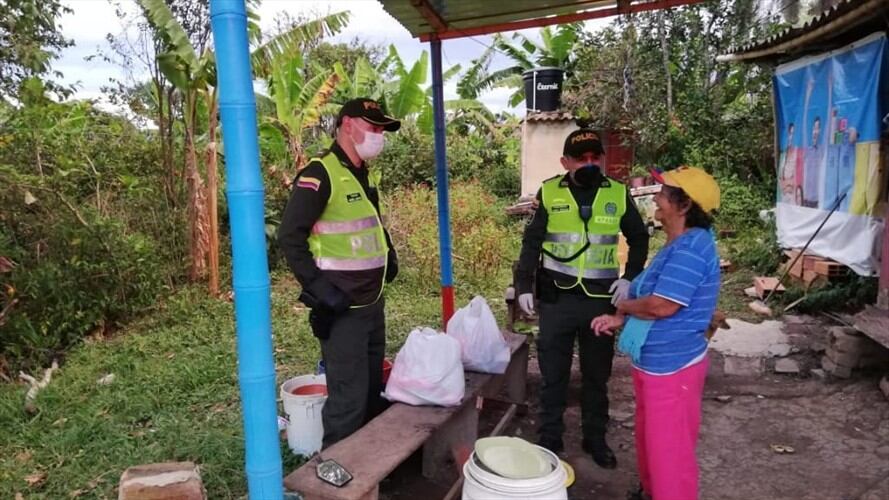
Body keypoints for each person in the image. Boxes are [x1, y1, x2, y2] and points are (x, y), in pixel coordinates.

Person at [515, 128, 649, 468]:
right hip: (557, 299)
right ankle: (550, 439)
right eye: (580, 158)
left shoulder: (617, 192)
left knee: (596, 376)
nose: (589, 163)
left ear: (601, 159)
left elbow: (639, 238)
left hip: (599, 301)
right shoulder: (549, 192)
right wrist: (524, 285)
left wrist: (630, 278)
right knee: (553, 374)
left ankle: (595, 438)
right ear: (565, 162)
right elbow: (532, 242)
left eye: (594, 157)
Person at [590, 166, 721, 500]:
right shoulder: (679, 243)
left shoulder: (690, 250)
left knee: (669, 452)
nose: (656, 198)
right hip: (656, 365)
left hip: (673, 369)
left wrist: (624, 307)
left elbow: (662, 306)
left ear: (684, 205)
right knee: (652, 440)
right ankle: (650, 492)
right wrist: (621, 319)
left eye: (663, 193)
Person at [278, 97, 400, 448]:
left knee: (372, 392)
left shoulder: (361, 173)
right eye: (373, 127)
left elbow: (368, 224)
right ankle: (337, 469)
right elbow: (290, 237)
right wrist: (320, 289)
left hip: (372, 303)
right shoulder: (320, 173)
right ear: (347, 124)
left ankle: (370, 465)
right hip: (343, 309)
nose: (379, 135)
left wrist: (388, 254)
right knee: (348, 400)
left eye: (382, 130)